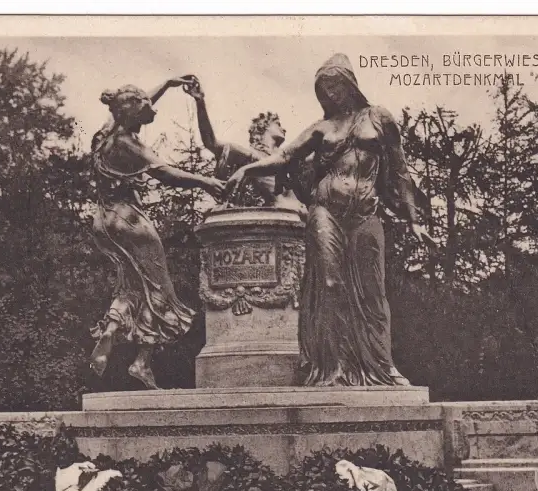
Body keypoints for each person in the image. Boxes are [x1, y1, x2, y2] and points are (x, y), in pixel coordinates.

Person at [226, 53, 432, 387]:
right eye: (324, 89)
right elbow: (284, 156)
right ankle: (333, 368)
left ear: (350, 84)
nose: (331, 94)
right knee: (330, 284)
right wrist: (247, 169)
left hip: (365, 213)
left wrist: (414, 220)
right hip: (325, 212)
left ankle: (382, 366)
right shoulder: (321, 128)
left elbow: (401, 171)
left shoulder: (378, 117)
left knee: (373, 291)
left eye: (335, 85)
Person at [89, 78, 225, 389]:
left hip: (104, 222)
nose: (154, 109)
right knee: (159, 290)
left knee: (131, 286)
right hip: (130, 221)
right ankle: (142, 361)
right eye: (147, 107)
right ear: (134, 112)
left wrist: (167, 84)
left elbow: (131, 102)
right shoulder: (130, 144)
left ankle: (111, 328)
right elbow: (165, 173)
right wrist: (206, 182)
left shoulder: (105, 134)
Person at [182, 76, 304, 212]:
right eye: (278, 124)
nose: (284, 129)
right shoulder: (252, 154)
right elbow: (210, 142)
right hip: (282, 214)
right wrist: (200, 101)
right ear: (263, 126)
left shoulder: (285, 157)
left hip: (301, 213)